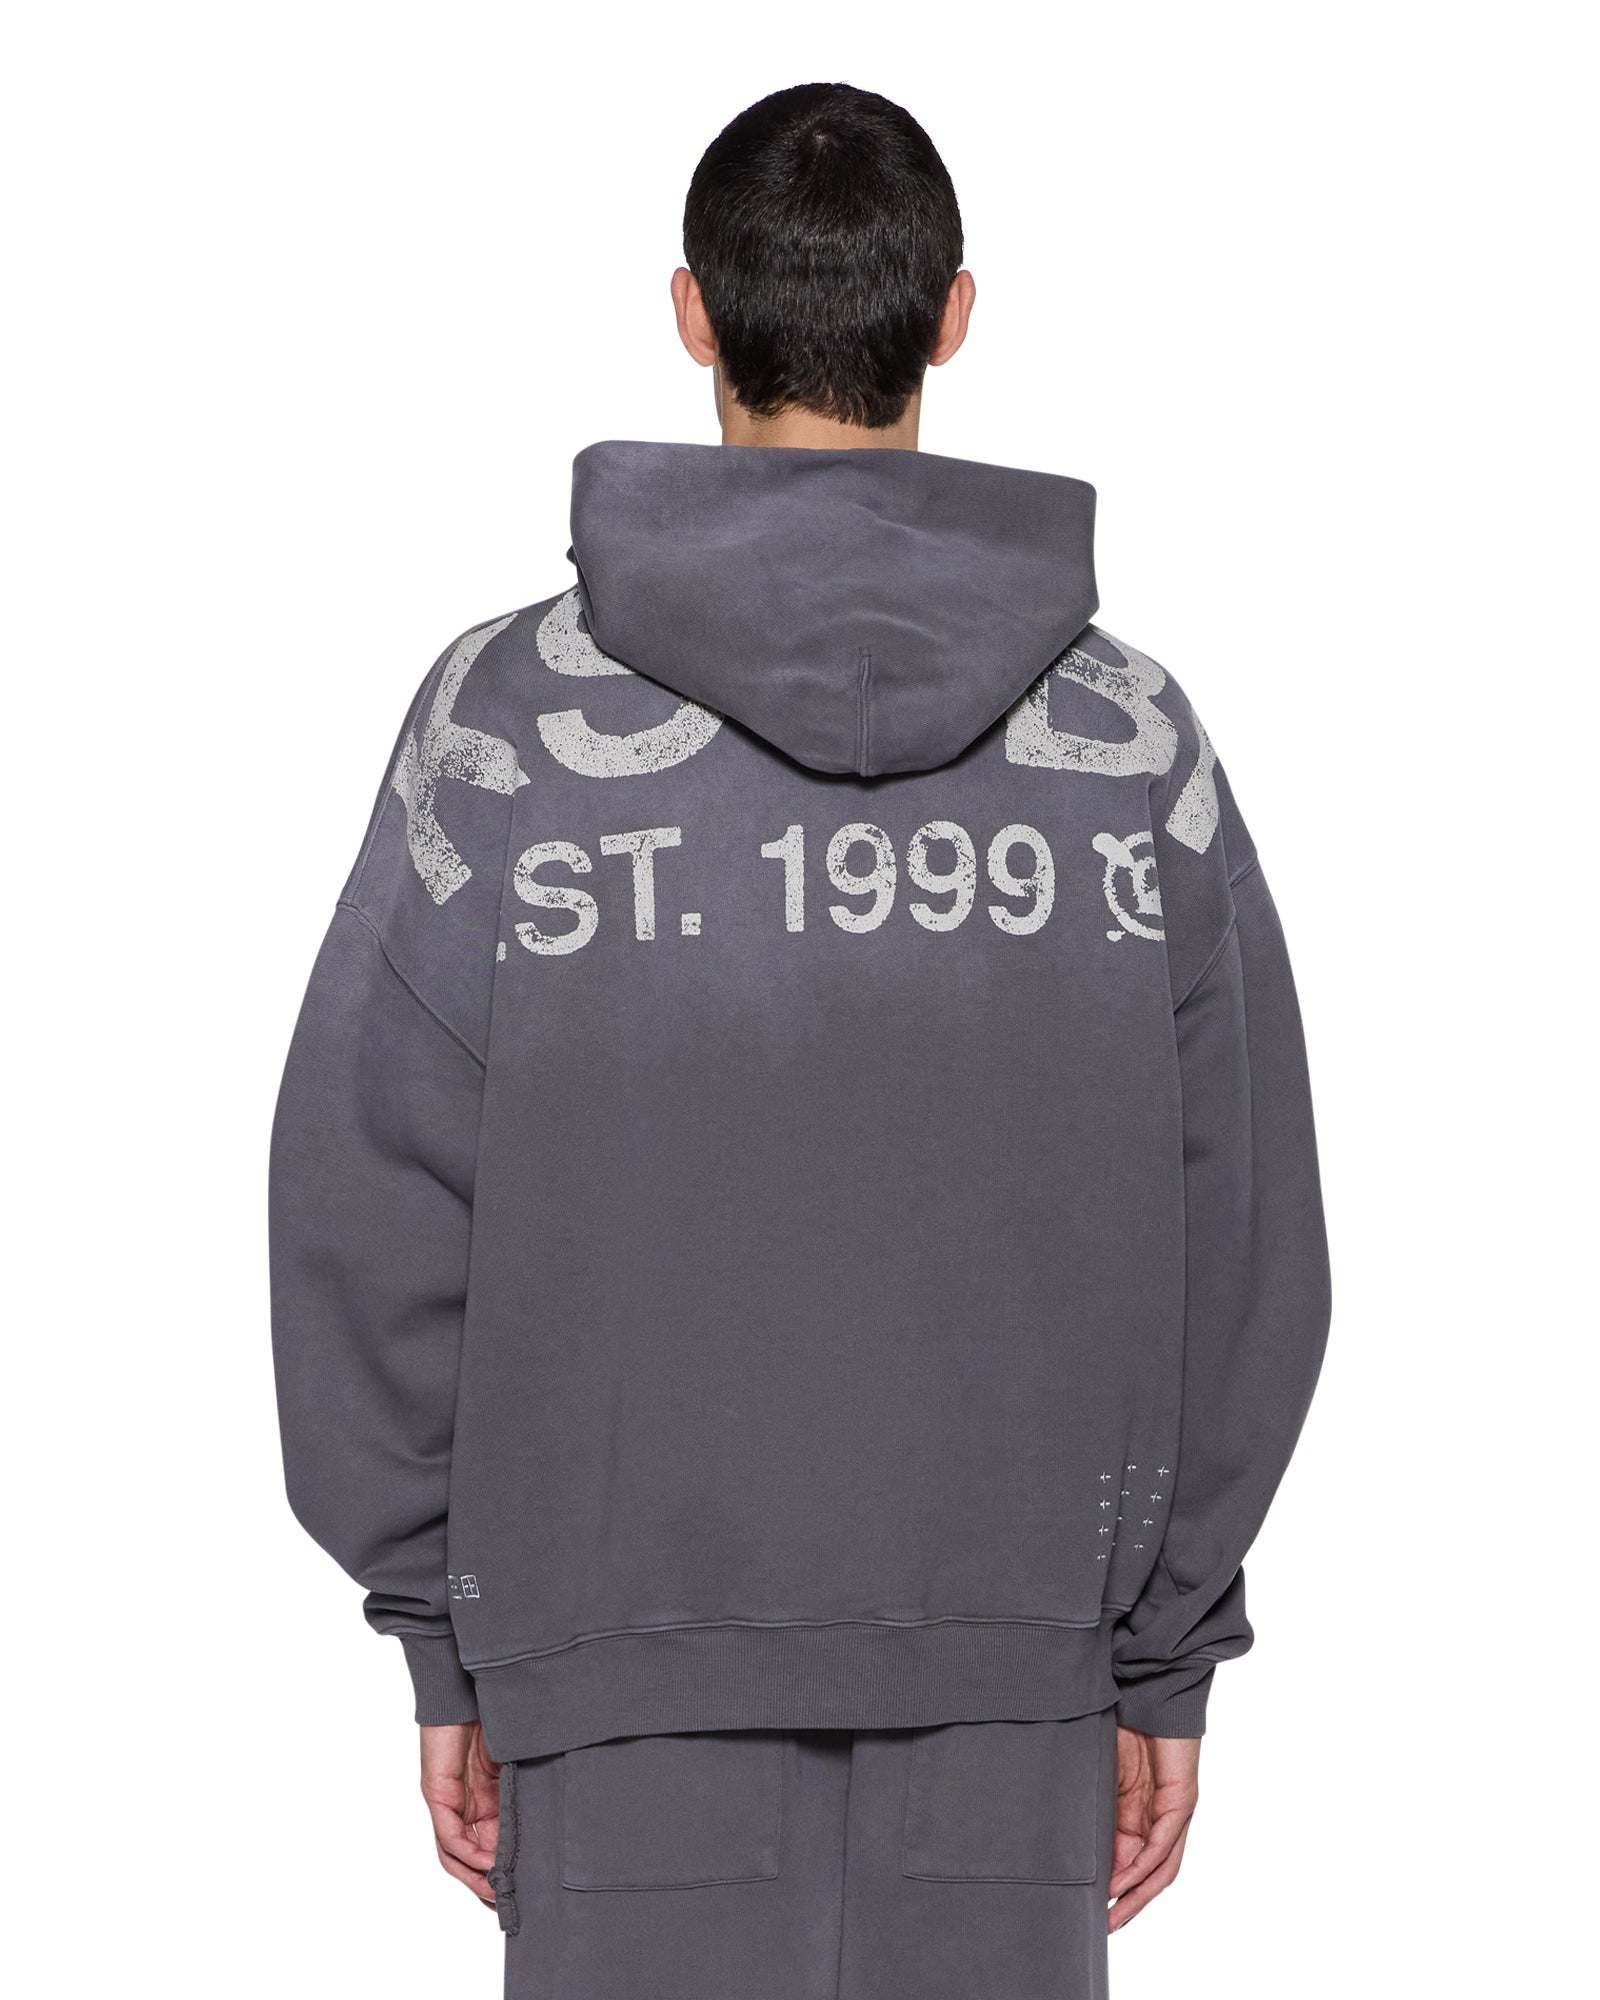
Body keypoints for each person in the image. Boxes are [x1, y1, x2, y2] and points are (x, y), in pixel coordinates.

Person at [269, 80, 1330, 2000]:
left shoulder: (509, 729)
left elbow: (373, 1198)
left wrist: (448, 1629)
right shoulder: (1125, 749)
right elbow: (1241, 1239)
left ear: (693, 312)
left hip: (611, 1710)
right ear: (952, 316)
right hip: (1020, 1720)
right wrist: (1166, 1648)